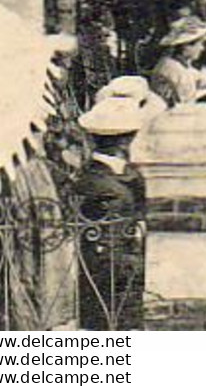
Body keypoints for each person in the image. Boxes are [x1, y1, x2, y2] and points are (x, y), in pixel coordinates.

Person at [74, 94, 149, 330]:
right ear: (126, 143)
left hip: (113, 283)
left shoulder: (105, 176)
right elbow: (107, 249)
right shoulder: (104, 186)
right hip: (112, 290)